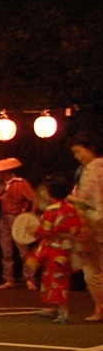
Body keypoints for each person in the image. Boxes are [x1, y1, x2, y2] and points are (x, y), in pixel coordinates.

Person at [31, 174, 81, 324]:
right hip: (66, 249)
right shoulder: (71, 208)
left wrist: (35, 231)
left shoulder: (51, 210)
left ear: (49, 192)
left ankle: (63, 313)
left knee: (55, 280)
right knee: (59, 279)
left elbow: (44, 230)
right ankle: (55, 309)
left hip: (54, 249)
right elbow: (75, 229)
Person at [0, 157, 36, 289]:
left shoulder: (20, 183)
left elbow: (34, 199)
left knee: (23, 250)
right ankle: (9, 278)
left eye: (0, 172)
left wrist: (28, 215)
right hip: (4, 218)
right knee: (6, 250)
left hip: (17, 217)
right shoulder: (1, 186)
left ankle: (29, 277)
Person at [68, 133, 103, 321]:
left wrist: (74, 202)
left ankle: (100, 307)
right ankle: (100, 307)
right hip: (92, 222)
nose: (77, 156)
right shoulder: (85, 170)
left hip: (93, 223)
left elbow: (89, 201)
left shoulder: (93, 170)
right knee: (93, 269)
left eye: (78, 151)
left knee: (93, 269)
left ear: (89, 148)